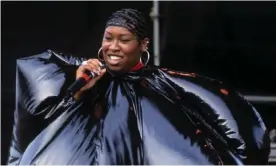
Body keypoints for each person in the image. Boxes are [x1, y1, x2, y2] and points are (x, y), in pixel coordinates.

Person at [8, 8, 270, 165]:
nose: (113, 46)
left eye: (124, 40)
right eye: (108, 38)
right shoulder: (87, 77)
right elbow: (38, 116)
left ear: (143, 45)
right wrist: (78, 88)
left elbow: (228, 117)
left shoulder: (163, 84)